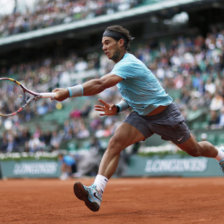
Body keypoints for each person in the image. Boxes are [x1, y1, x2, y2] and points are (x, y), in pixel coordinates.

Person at [53, 25, 224, 212]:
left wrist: (68, 92)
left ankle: (220, 155)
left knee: (196, 150)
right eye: (102, 44)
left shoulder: (128, 64)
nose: (104, 47)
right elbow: (132, 97)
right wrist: (118, 107)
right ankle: (96, 191)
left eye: (107, 43)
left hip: (166, 116)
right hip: (142, 116)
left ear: (121, 43)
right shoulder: (120, 67)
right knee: (115, 143)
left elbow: (100, 84)